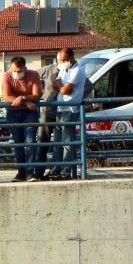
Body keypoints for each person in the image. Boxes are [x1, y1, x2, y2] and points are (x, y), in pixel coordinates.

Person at [1, 56, 43, 181]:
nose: (16, 74)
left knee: (30, 141)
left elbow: (36, 95)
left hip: (30, 113)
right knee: (18, 143)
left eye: (19, 71)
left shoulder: (34, 74)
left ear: (25, 68)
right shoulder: (7, 76)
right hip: (14, 112)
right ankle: (21, 172)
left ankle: (30, 171)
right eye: (14, 70)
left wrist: (22, 98)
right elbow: (7, 97)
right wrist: (26, 102)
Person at [51, 47, 88, 180]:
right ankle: (55, 170)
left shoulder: (78, 70)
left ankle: (66, 171)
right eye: (60, 60)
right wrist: (59, 85)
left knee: (67, 142)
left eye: (64, 60)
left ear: (71, 58)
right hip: (60, 109)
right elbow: (56, 85)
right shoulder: (63, 69)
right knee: (57, 142)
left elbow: (65, 90)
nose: (62, 62)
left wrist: (59, 85)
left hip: (70, 110)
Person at [37, 55, 63, 178]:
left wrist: (79, 98)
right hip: (47, 111)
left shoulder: (73, 71)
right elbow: (32, 77)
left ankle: (56, 170)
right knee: (42, 141)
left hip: (63, 112)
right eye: (61, 59)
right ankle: (39, 171)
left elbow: (88, 86)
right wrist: (38, 91)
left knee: (60, 142)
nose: (63, 62)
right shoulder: (48, 69)